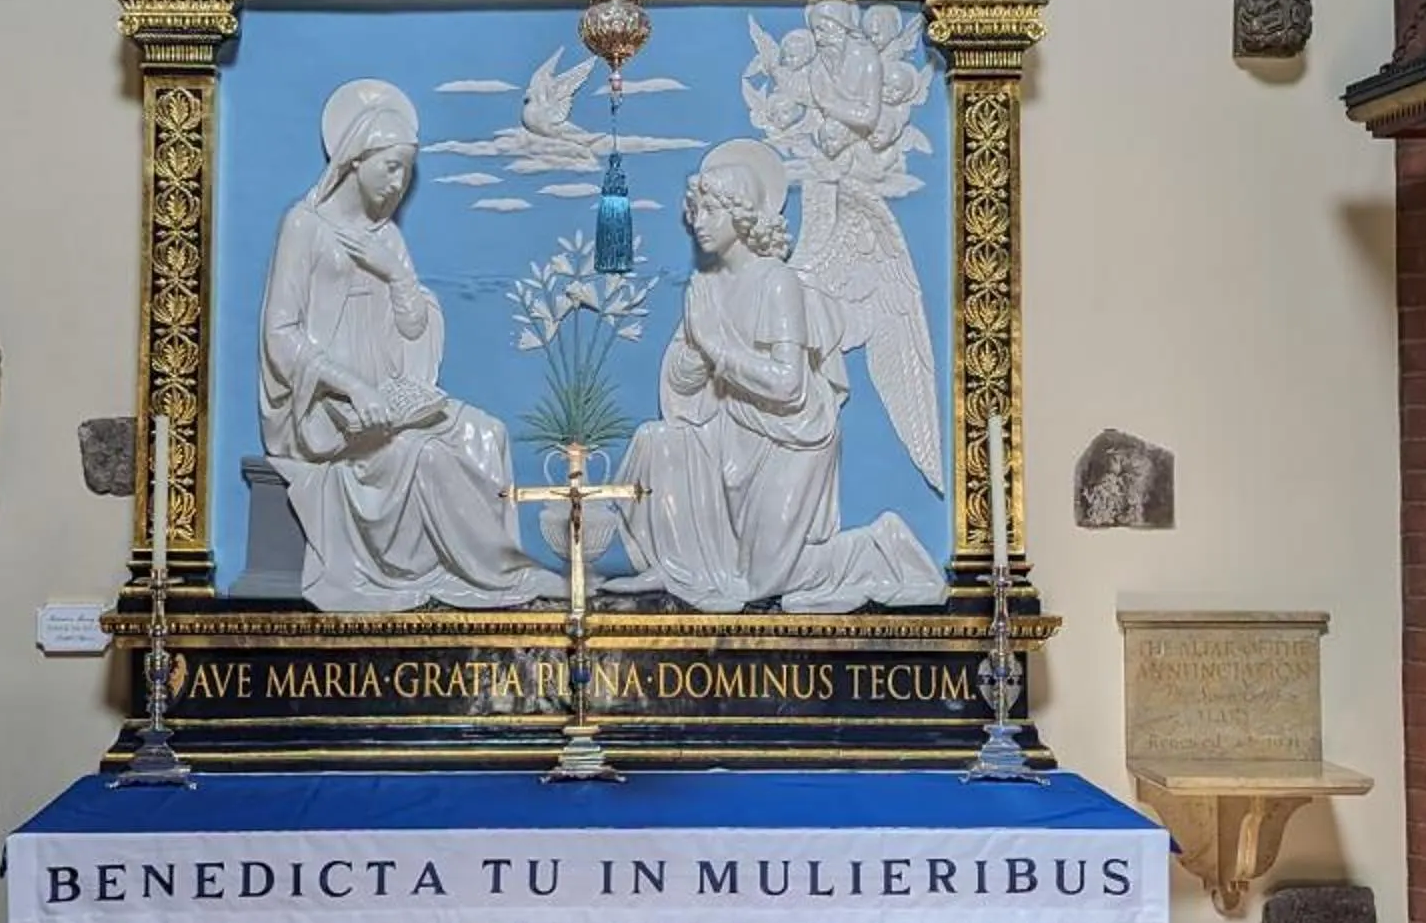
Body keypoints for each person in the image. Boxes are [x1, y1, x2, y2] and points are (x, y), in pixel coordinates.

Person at [258, 79, 557, 613]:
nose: (398, 182)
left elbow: (416, 333)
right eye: (390, 167)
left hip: (392, 398)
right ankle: (494, 577)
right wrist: (351, 385)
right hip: (329, 411)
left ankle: (507, 567)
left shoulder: (388, 237)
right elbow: (280, 335)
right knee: (431, 458)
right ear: (354, 160)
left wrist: (397, 277)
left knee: (486, 435)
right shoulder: (304, 227)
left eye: (407, 172)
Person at [621, 140, 943, 612]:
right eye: (695, 211)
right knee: (656, 440)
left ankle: (880, 547)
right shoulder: (704, 288)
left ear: (743, 215)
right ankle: (675, 565)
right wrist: (693, 357)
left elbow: (788, 384)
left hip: (791, 439)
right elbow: (682, 382)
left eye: (710, 211)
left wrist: (716, 349)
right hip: (727, 432)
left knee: (762, 581)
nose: (697, 221)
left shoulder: (778, 283)